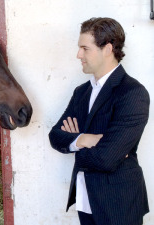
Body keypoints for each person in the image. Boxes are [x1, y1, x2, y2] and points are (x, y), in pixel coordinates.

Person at [48, 17, 150, 225]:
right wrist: (84, 139)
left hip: (118, 203)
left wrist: (74, 144)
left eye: (85, 48)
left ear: (108, 49)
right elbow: (55, 136)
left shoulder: (133, 93)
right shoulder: (82, 92)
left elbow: (106, 158)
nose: (78, 55)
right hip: (85, 199)